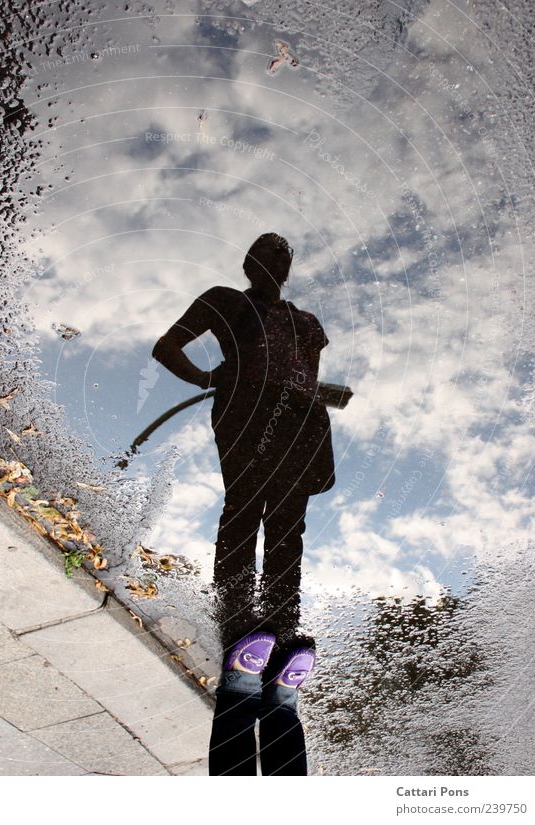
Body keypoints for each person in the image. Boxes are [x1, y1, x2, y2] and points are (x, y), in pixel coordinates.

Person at [151, 233, 335, 775]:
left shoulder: (307, 324)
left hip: (302, 422)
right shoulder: (226, 300)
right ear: (249, 262)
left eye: (285, 254)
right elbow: (168, 346)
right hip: (247, 412)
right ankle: (236, 616)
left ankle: (280, 623)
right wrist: (208, 376)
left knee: (289, 526)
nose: (278, 259)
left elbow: (306, 374)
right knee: (245, 508)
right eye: (268, 251)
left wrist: (320, 398)